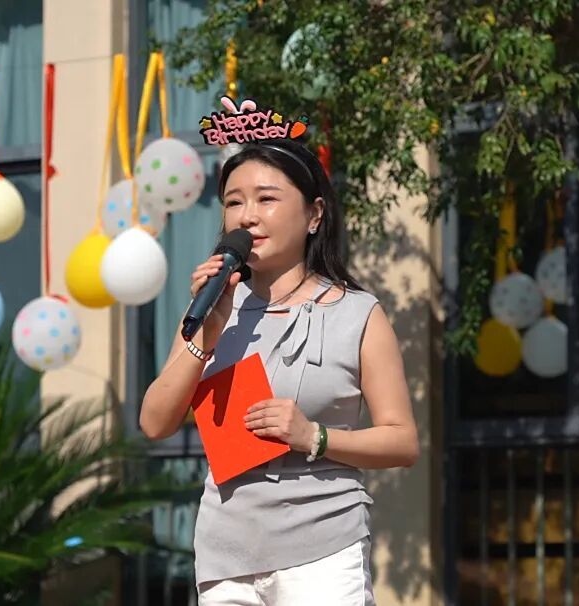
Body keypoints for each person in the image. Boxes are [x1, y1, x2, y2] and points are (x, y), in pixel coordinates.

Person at [139, 138, 419, 605]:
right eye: (234, 202)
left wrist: (314, 436)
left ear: (314, 215)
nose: (247, 216)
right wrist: (206, 333)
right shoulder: (211, 310)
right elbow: (154, 422)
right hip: (226, 556)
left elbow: (402, 441)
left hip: (323, 549)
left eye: (266, 198)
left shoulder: (358, 314)